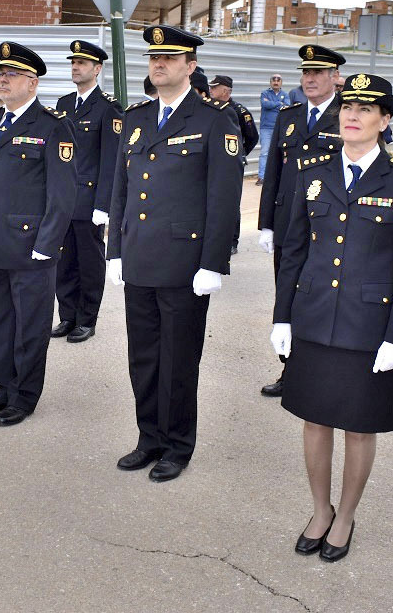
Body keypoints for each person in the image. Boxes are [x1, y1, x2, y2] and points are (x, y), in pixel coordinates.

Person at [273, 73, 393, 562]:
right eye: (347, 107)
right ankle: (320, 509)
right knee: (315, 421)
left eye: (366, 109)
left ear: (384, 121)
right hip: (314, 317)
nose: (352, 115)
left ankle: (345, 516)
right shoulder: (311, 168)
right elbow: (293, 248)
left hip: (369, 326)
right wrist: (282, 317)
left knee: (359, 426)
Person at [106, 25, 241, 482]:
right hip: (140, 258)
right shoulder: (138, 118)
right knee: (143, 356)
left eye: (169, 58)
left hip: (185, 264)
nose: (159, 64)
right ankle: (149, 438)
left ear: (190, 66)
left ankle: (178, 445)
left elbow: (223, 198)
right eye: (153, 58)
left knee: (179, 361)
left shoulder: (213, 120)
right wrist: (115, 250)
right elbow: (120, 188)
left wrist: (212, 262)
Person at [0, 41, 76, 427]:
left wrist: (48, 243)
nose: (1, 81)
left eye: (10, 75)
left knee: (29, 325)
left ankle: (25, 395)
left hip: (31, 247)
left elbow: (62, 194)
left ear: (32, 82)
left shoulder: (52, 125)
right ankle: (2, 386)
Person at [257, 44, 345, 398]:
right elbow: (273, 173)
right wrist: (266, 223)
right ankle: (290, 370)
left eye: (318, 73)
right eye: (306, 73)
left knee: (324, 297)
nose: (310, 79)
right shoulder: (288, 116)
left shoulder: (348, 114)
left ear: (335, 77)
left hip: (327, 225)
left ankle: (322, 370)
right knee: (287, 296)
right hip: (287, 224)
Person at [51, 40, 123, 344]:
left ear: (97, 69)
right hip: (63, 200)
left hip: (89, 200)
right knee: (63, 261)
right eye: (73, 62)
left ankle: (87, 318)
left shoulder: (108, 107)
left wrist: (103, 204)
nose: (75, 67)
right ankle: (67, 315)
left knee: (89, 262)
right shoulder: (64, 104)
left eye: (82, 63)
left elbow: (112, 160)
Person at [210, 74, 257, 254]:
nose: (211, 91)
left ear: (225, 91)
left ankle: (232, 241)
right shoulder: (210, 108)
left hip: (232, 164)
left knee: (231, 201)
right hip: (214, 163)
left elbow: (252, 136)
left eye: (214, 88)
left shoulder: (239, 111)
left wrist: (240, 154)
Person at [258, 74, 286, 184]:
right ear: (270, 82)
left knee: (281, 152)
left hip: (280, 127)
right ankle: (262, 177)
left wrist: (273, 105)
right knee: (265, 152)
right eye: (273, 80)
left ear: (281, 82)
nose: (276, 82)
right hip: (266, 128)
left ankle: (278, 176)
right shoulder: (265, 93)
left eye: (278, 80)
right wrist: (279, 104)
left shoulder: (285, 94)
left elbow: (286, 106)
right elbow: (265, 105)